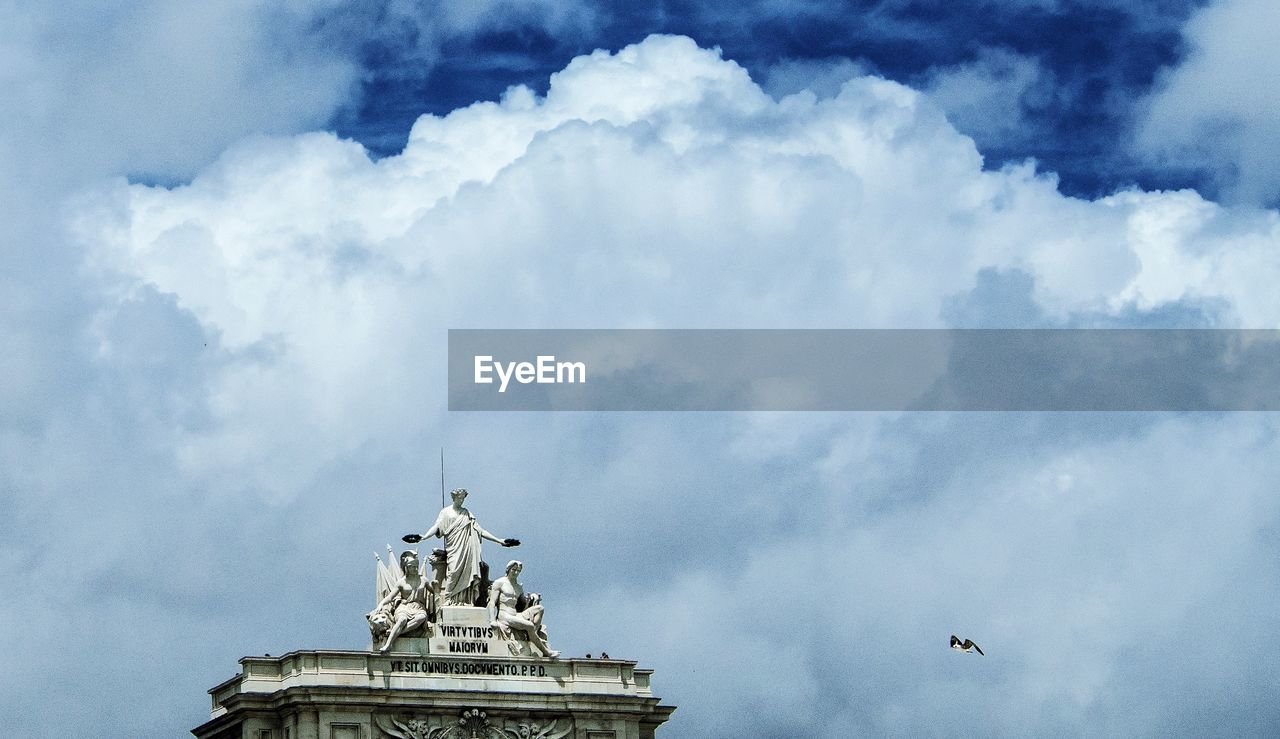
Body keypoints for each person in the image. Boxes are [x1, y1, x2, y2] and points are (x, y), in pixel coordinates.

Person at [416, 488, 519, 606]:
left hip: (467, 549)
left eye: (463, 498)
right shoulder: (446, 512)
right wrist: (424, 536)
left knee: (468, 573)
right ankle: (449, 599)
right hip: (454, 548)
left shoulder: (467, 513)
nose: (461, 500)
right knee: (453, 571)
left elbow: (481, 530)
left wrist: (499, 540)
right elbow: (437, 527)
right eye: (459, 498)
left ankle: (465, 601)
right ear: (454, 498)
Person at [488, 560, 558, 659]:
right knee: (529, 626)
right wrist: (492, 620)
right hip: (505, 615)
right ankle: (545, 651)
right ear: (508, 569)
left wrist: (532, 597)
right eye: (514, 570)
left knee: (540, 609)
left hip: (515, 614)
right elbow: (492, 602)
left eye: (518, 571)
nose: (516, 573)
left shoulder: (518, 586)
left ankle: (532, 635)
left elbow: (523, 603)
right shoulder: (499, 583)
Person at [369, 550, 430, 653]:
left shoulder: (424, 580)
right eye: (412, 567)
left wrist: (437, 588)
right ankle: (388, 644)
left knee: (422, 617)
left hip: (418, 608)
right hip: (404, 607)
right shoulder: (401, 583)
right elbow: (390, 597)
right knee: (402, 620)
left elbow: (435, 591)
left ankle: (397, 633)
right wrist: (381, 604)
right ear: (407, 568)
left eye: (416, 567)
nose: (414, 569)